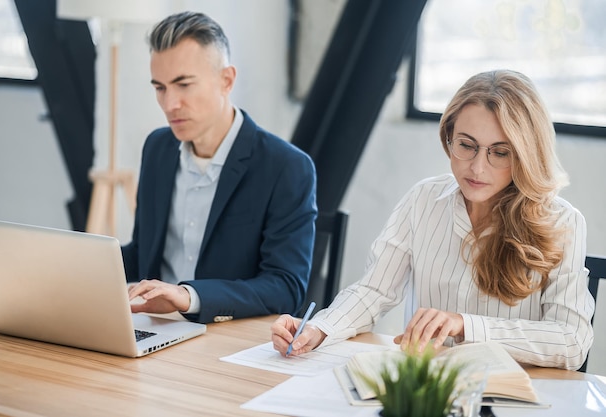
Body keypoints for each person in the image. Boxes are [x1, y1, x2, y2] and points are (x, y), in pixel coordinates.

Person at [271, 69, 595, 370]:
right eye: (466, 145)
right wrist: (318, 328)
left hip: (514, 395)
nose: (477, 168)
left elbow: (572, 341)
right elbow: (373, 291)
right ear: (448, 138)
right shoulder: (423, 200)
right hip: (427, 389)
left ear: (525, 153)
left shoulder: (562, 222)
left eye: (500, 152)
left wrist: (465, 324)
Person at [123, 11, 317, 324]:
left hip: (227, 336)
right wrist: (78, 265)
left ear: (226, 80)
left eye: (183, 84)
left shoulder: (287, 167)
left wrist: (189, 297)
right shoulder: (157, 148)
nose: (170, 104)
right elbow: (142, 253)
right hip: (155, 329)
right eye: (160, 88)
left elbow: (286, 286)